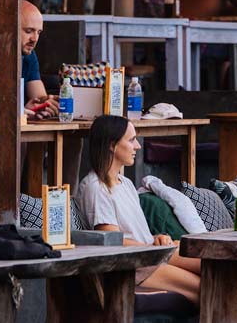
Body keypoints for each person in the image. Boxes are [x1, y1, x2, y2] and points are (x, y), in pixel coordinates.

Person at [77, 115, 201, 302]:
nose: (138, 146)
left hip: (150, 254)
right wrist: (151, 246)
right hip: (133, 264)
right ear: (112, 145)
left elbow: (134, 234)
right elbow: (111, 241)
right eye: (131, 140)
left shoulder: (125, 183)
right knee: (206, 287)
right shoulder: (95, 187)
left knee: (214, 266)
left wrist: (155, 238)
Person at [0, 0, 55, 118]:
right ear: (9, 28)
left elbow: (38, 96)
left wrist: (47, 103)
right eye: (29, 31)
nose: (35, 39)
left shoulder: (29, 54)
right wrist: (22, 111)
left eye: (38, 32)